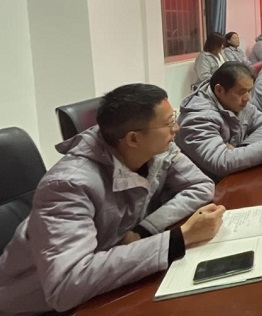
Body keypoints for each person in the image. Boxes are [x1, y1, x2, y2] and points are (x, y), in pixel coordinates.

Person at [0, 84, 220, 314]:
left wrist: (146, 228)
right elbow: (66, 284)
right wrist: (178, 239)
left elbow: (200, 185)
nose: (176, 128)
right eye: (168, 123)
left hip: (105, 279)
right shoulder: (67, 185)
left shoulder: (157, 149)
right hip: (39, 305)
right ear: (133, 138)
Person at [176, 62, 262, 181]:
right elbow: (221, 162)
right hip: (213, 186)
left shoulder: (235, 101)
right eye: (242, 92)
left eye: (249, 91)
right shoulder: (197, 119)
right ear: (219, 90)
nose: (248, 98)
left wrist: (243, 150)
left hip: (236, 175)